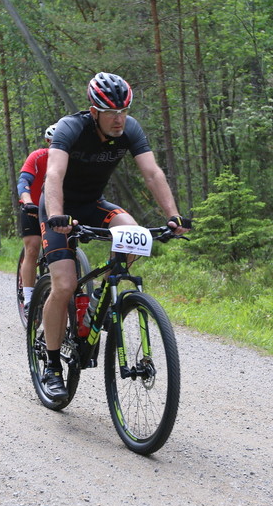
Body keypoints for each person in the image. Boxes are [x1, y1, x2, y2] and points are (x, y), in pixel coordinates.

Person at [38, 72, 191, 400]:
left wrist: (173, 215)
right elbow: (54, 173)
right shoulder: (70, 128)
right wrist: (56, 215)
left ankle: (98, 300)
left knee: (134, 235)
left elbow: (152, 173)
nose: (119, 119)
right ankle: (51, 365)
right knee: (64, 284)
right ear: (94, 111)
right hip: (59, 208)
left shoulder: (130, 129)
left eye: (123, 111)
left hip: (93, 204)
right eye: (111, 112)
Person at [16, 124, 56, 319]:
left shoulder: (72, 159)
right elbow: (23, 181)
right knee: (32, 248)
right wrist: (28, 201)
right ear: (48, 142)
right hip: (32, 207)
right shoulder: (38, 157)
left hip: (57, 210)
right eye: (54, 143)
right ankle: (29, 298)